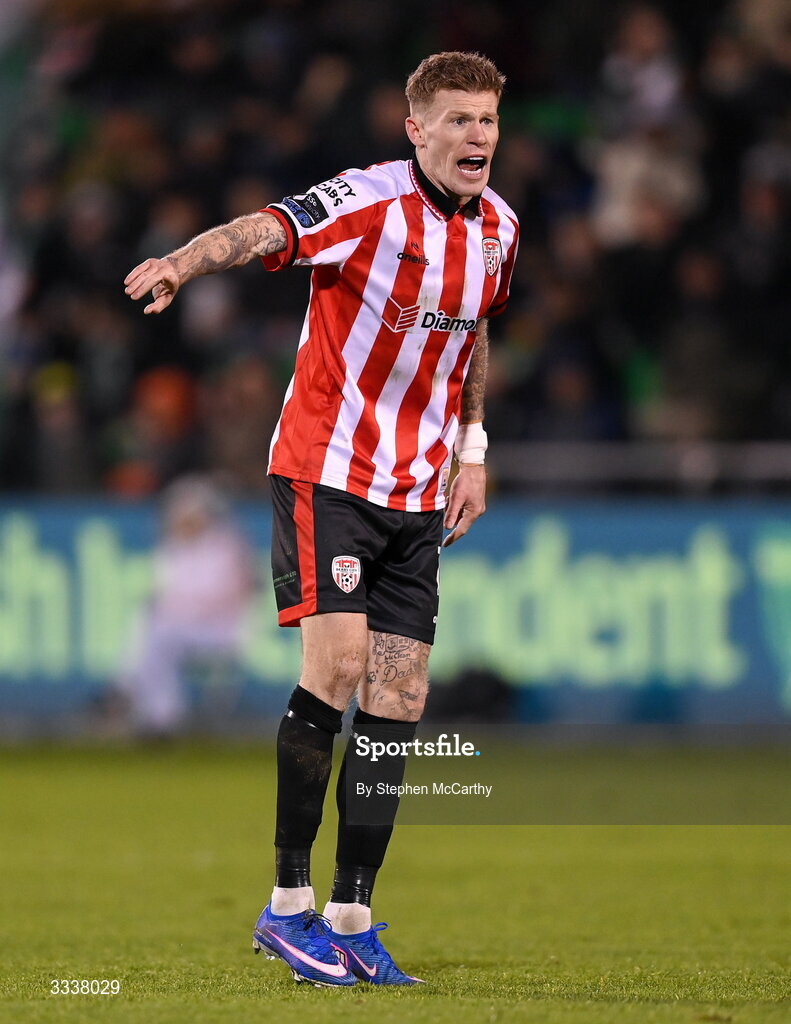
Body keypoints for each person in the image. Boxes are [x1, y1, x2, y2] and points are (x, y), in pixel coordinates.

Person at [125, 51, 518, 987]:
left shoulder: (499, 228)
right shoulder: (368, 200)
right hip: (327, 471)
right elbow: (266, 228)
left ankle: (349, 917)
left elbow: (473, 334)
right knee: (337, 666)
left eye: (488, 121)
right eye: (458, 120)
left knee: (399, 695)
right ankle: (286, 905)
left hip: (418, 492)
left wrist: (472, 451)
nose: (477, 136)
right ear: (416, 129)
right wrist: (182, 262)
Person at [117, 475, 256, 736]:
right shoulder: (173, 548)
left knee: (158, 633)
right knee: (154, 632)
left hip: (220, 629)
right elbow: (162, 593)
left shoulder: (225, 546)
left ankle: (135, 697)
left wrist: (182, 609)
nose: (179, 520)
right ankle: (158, 716)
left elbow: (231, 595)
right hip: (183, 627)